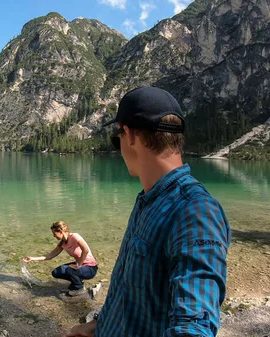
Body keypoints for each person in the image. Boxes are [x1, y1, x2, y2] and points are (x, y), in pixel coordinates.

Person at [66, 86, 231, 337]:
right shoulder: (148, 200)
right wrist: (101, 325)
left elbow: (194, 325)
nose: (119, 147)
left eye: (116, 138)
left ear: (130, 135)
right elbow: (137, 294)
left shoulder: (196, 211)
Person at [23, 221, 98, 296]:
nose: (53, 236)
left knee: (70, 270)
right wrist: (32, 258)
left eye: (54, 234)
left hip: (90, 268)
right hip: (80, 266)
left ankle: (79, 288)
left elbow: (85, 250)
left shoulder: (75, 236)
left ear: (61, 231)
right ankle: (77, 281)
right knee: (56, 272)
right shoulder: (63, 243)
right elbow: (50, 256)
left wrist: (79, 265)